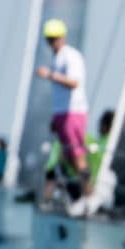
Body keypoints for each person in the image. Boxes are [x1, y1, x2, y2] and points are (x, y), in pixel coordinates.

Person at [36, 18, 91, 194]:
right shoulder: (58, 58)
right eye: (49, 39)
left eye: (54, 38)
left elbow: (74, 83)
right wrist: (56, 116)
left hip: (73, 112)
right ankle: (81, 193)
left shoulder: (70, 56)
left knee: (77, 155)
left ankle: (89, 193)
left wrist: (50, 75)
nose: (52, 42)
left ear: (62, 37)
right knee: (68, 155)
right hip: (62, 113)